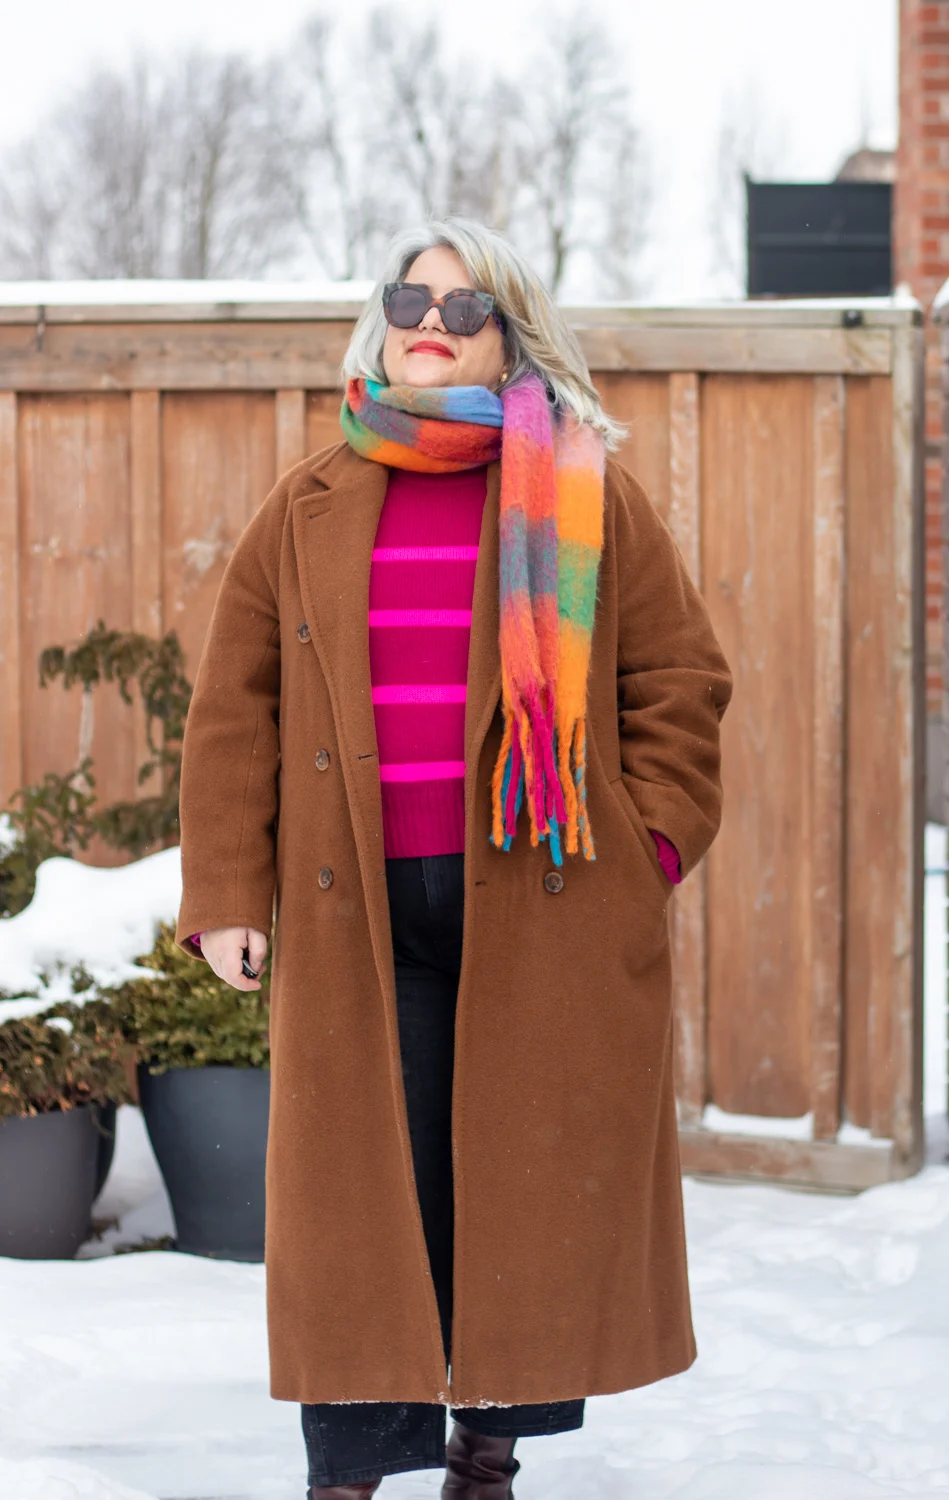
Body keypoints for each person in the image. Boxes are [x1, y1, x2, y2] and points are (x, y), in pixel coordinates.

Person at [175, 216, 733, 1499]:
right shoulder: (307, 501)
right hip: (352, 916)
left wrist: (643, 850)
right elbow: (233, 712)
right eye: (408, 300)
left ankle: (488, 1460)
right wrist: (221, 894)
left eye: (462, 306)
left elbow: (680, 684)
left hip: (542, 910)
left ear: (510, 329)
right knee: (363, 1208)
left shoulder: (585, 494)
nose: (429, 323)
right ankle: (348, 1478)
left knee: (515, 1195)